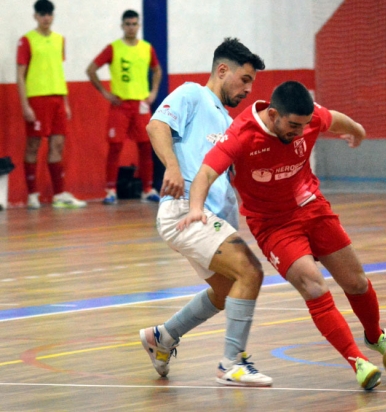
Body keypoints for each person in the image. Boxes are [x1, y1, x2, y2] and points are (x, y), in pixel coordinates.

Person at [178, 81, 386, 390]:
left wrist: (356, 129)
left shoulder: (308, 120)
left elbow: (333, 117)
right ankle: (357, 361)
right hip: (273, 225)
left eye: (305, 125)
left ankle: (375, 335)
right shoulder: (241, 136)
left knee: (356, 282)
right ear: (274, 114)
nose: (300, 132)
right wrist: (196, 208)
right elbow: (206, 173)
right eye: (293, 126)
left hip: (312, 207)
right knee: (314, 286)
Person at [139, 38, 271, 387]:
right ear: (222, 70)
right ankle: (232, 362)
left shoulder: (227, 121)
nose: (247, 89)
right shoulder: (192, 94)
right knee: (250, 272)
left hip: (211, 218)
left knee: (227, 290)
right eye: (244, 80)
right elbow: (156, 125)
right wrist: (170, 166)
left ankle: (162, 337)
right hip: (185, 211)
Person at [86, 9, 162, 205]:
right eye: (128, 24)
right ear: (122, 26)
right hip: (120, 105)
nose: (131, 27)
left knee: (146, 146)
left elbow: (157, 69)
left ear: (139, 26)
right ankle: (110, 190)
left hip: (141, 105)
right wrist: (105, 93)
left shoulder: (146, 48)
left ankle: (147, 189)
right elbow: (91, 69)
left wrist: (153, 92)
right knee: (115, 146)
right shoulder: (113, 48)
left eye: (134, 24)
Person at [16, 0, 87, 209]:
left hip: (57, 99)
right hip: (36, 99)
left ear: (53, 16)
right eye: (42, 14)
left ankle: (59, 194)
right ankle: (32, 195)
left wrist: (65, 102)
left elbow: (58, 71)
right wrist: (25, 105)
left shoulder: (59, 40)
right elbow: (19, 75)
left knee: (57, 145)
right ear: (35, 16)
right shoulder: (26, 40)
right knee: (33, 145)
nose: (46, 17)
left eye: (49, 14)